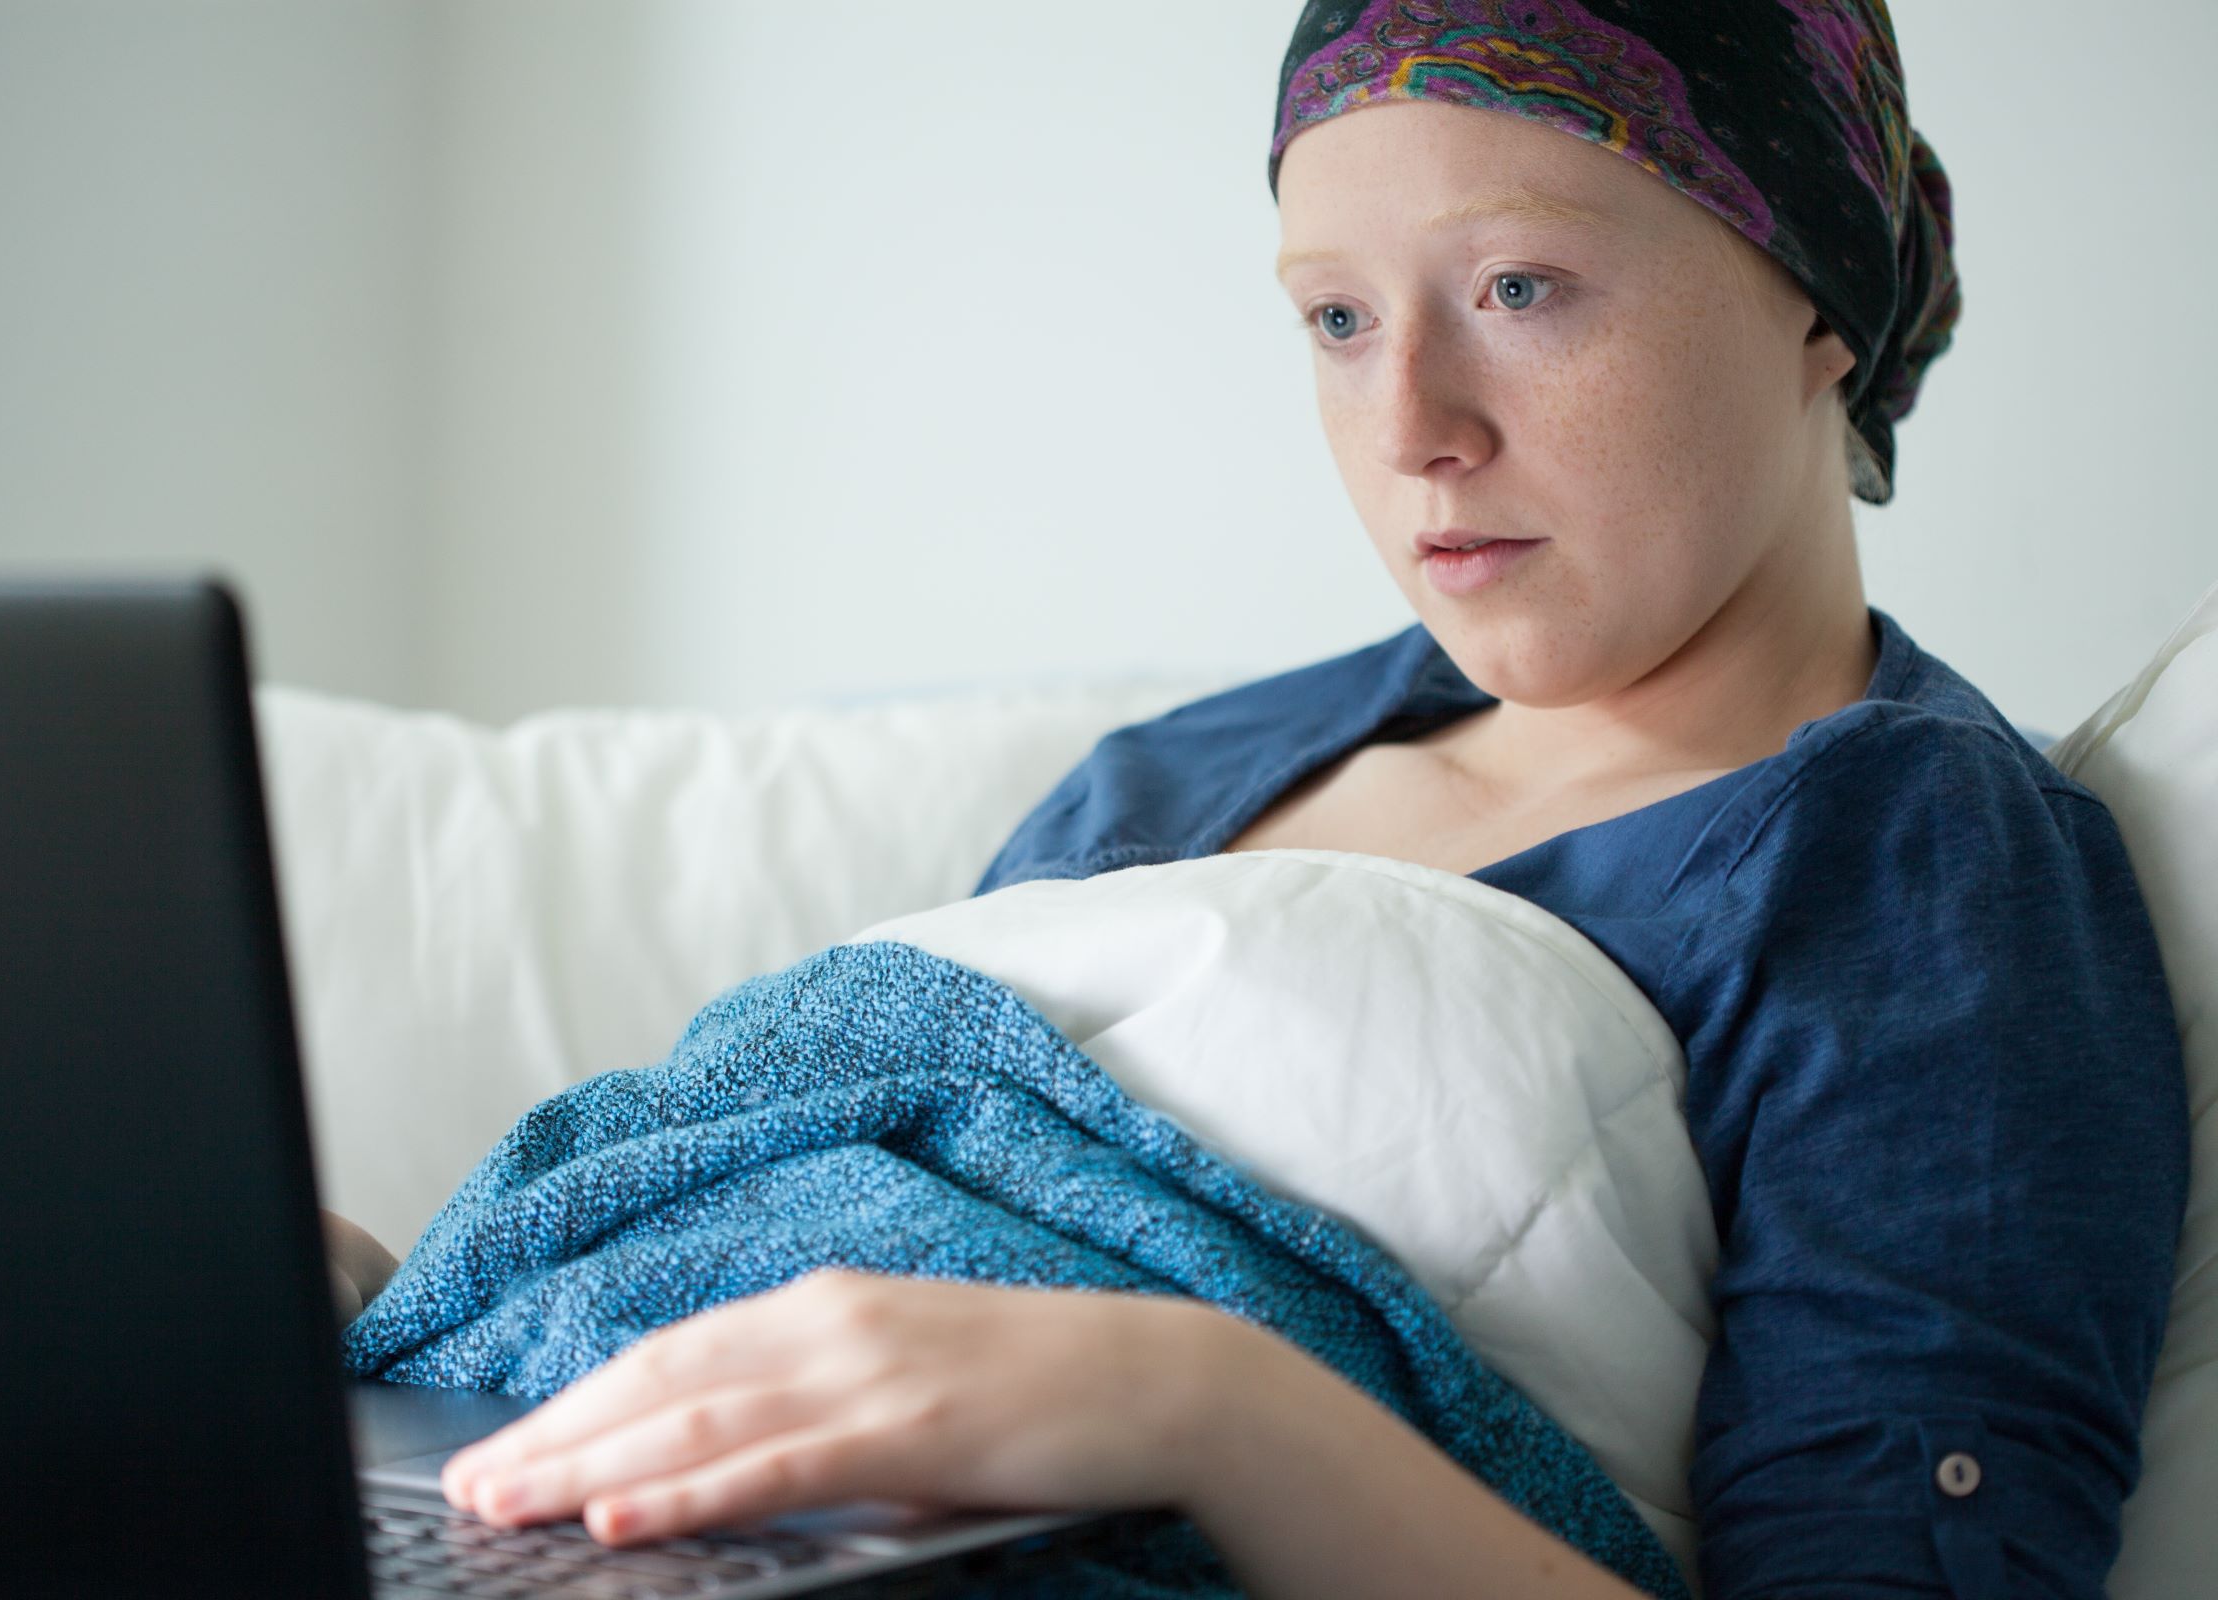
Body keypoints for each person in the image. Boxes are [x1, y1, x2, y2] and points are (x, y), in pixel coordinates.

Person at [395, 4, 2190, 1596]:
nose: (1412, 423)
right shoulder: (1179, 773)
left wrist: (1202, 1409)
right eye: (1336, 316)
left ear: (1820, 299)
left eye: (1517, 290)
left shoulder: (1918, 863)